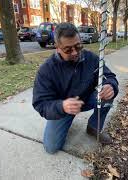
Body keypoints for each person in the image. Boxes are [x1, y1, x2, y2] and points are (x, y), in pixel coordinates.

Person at [32, 22, 119, 154]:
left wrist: (110, 85)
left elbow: (109, 76)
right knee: (51, 147)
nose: (75, 52)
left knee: (107, 96)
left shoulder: (91, 58)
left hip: (87, 99)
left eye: (78, 46)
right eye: (68, 50)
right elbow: (41, 104)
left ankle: (93, 127)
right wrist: (62, 106)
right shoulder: (47, 70)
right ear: (57, 47)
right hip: (63, 108)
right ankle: (65, 121)